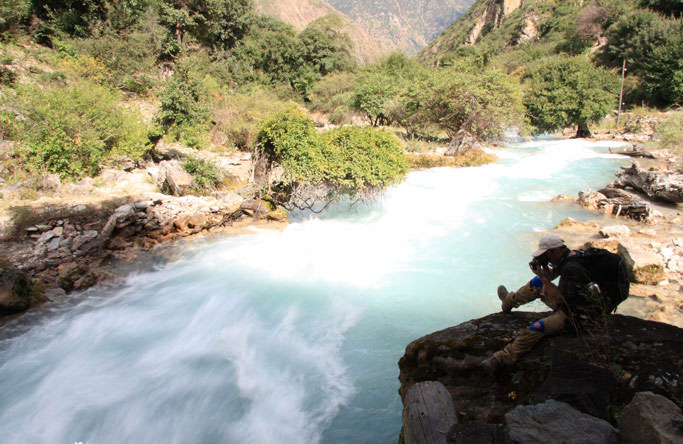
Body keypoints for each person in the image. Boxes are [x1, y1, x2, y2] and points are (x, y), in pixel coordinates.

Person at [478, 233, 592, 374]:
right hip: (575, 303)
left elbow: (559, 299)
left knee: (536, 327)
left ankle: (500, 359)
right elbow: (553, 276)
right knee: (537, 283)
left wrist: (544, 278)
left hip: (575, 315)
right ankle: (508, 301)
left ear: (555, 251)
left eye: (546, 255)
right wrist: (542, 269)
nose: (546, 257)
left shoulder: (571, 268)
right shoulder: (571, 256)